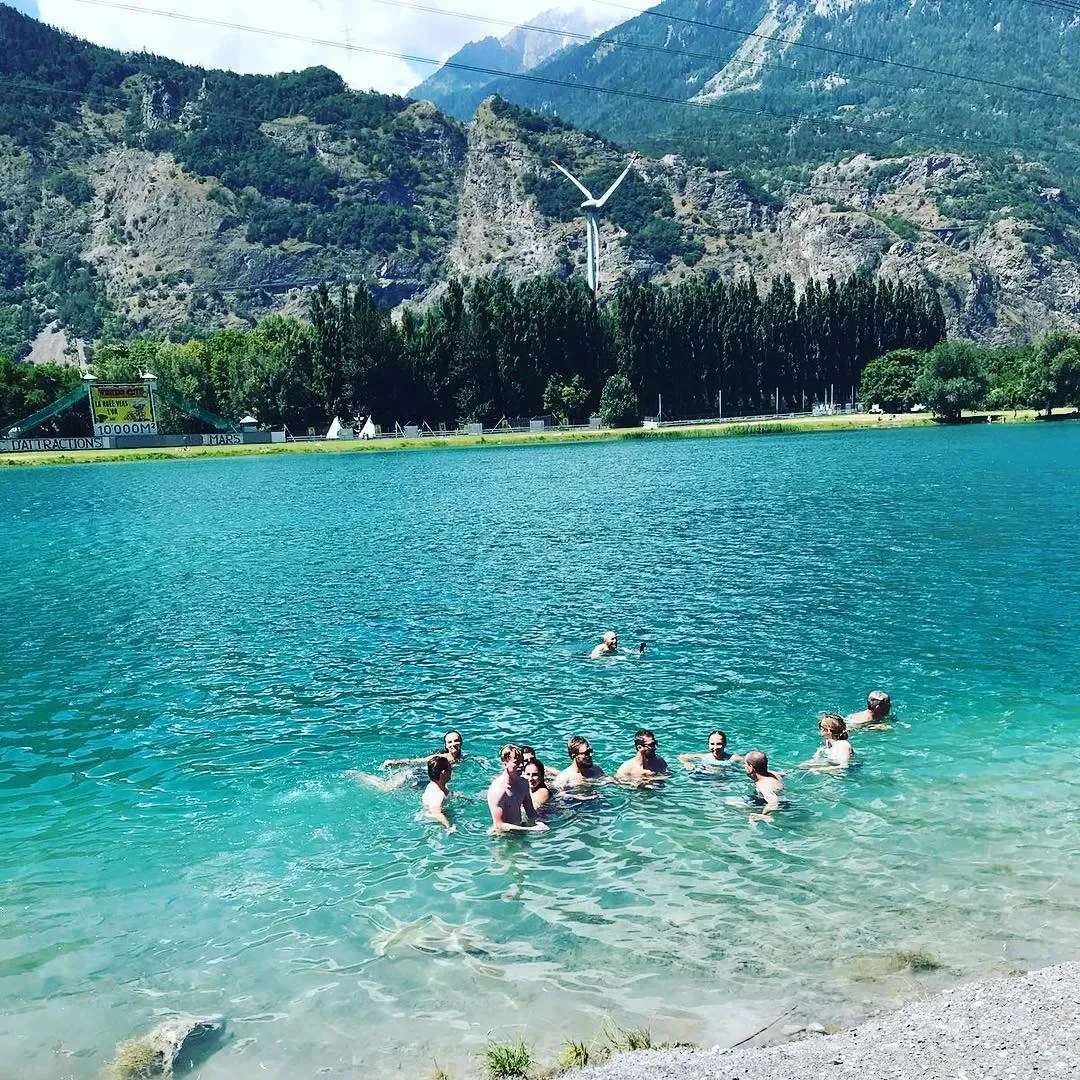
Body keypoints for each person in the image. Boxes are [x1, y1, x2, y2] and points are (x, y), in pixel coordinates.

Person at [487, 744, 549, 834]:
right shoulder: (498, 791)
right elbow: (499, 825)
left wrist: (539, 823)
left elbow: (530, 812)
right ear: (505, 764)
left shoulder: (523, 783)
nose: (521, 765)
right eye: (516, 762)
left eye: (521, 761)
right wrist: (531, 829)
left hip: (520, 830)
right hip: (502, 837)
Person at [381, 730, 465, 770]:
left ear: (461, 742)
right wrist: (395, 763)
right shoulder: (439, 758)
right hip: (420, 773)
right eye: (450, 742)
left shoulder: (464, 758)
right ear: (446, 746)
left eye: (456, 741)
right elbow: (416, 761)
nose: (453, 744)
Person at [421, 755, 455, 832]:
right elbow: (436, 812)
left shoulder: (433, 785)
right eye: (450, 769)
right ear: (444, 772)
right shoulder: (439, 794)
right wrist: (449, 826)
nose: (451, 771)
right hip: (436, 825)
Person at [679, 730, 743, 769]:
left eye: (719, 744)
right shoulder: (704, 757)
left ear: (725, 744)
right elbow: (682, 757)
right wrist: (687, 764)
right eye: (712, 744)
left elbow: (750, 760)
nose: (715, 747)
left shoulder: (732, 758)